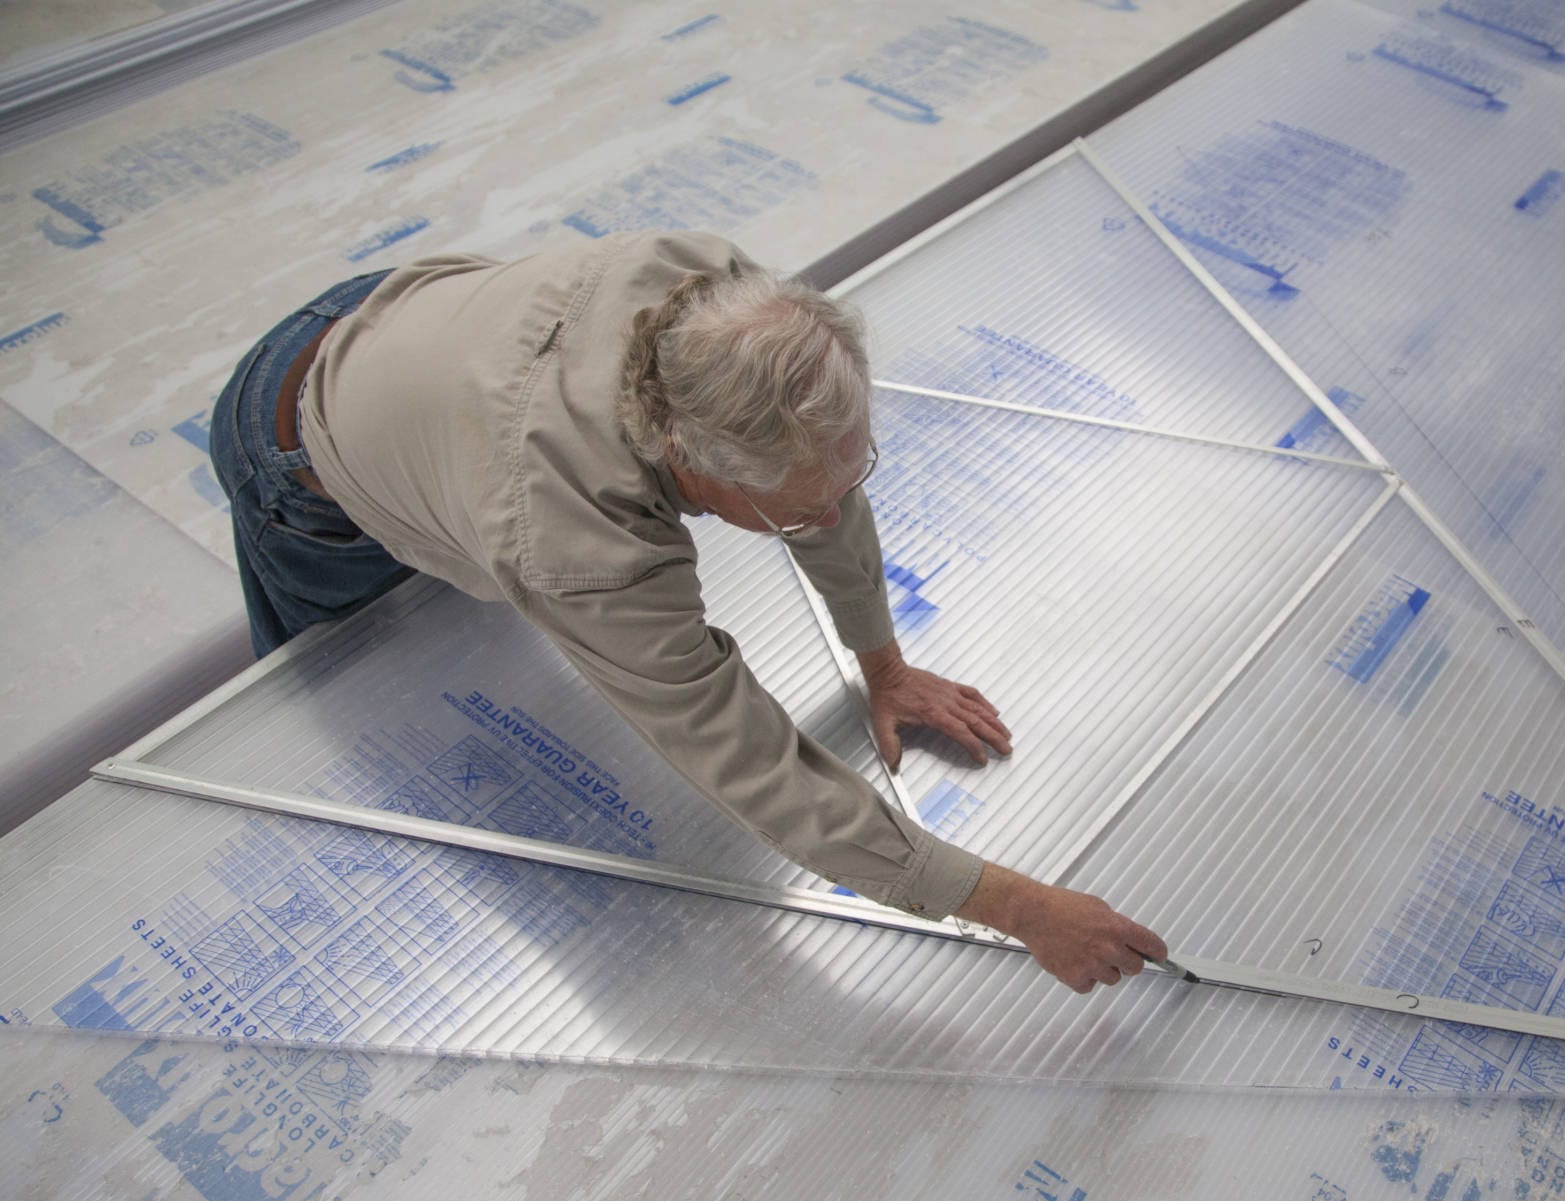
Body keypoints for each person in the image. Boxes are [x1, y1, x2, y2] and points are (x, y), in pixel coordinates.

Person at [207, 230, 1171, 993]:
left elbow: (822, 485)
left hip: (412, 316)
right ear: (696, 469)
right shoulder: (574, 539)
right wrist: (1022, 907)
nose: (828, 518)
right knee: (354, 701)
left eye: (847, 478)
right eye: (796, 513)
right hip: (299, 436)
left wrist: (884, 664)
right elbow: (749, 763)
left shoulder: (726, 304)